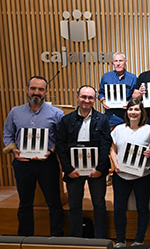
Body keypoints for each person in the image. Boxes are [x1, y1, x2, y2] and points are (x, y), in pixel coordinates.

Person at [2, 76, 64, 236]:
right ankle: (25, 238)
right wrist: (14, 150)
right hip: (23, 164)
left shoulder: (57, 113)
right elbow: (7, 134)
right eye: (33, 88)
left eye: (41, 89)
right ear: (27, 90)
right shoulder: (15, 112)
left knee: (54, 203)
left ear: (46, 92)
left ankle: (56, 238)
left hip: (47, 163)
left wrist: (50, 151)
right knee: (25, 203)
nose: (37, 92)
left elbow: (62, 137)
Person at [56, 85, 112, 238]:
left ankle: (101, 239)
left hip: (97, 171)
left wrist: (100, 168)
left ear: (95, 100)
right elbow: (61, 146)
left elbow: (105, 144)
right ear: (77, 97)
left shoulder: (102, 119)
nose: (86, 100)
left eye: (90, 97)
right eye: (83, 97)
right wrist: (68, 169)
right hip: (74, 171)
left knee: (99, 204)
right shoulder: (66, 120)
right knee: (74, 206)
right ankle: (76, 239)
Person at [109, 100, 150, 247]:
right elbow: (113, 150)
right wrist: (116, 166)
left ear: (142, 112)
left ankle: (139, 240)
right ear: (126, 112)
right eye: (130, 109)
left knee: (142, 208)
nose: (133, 112)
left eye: (136, 109)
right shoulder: (118, 129)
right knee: (119, 208)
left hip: (143, 176)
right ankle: (120, 240)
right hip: (121, 176)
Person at [98, 52, 137, 127]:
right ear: (113, 63)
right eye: (116, 61)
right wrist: (103, 100)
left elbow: (135, 97)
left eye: (121, 61)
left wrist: (129, 103)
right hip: (109, 118)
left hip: (126, 118)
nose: (118, 64)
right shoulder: (106, 77)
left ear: (125, 62)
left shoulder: (133, 78)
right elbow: (101, 93)